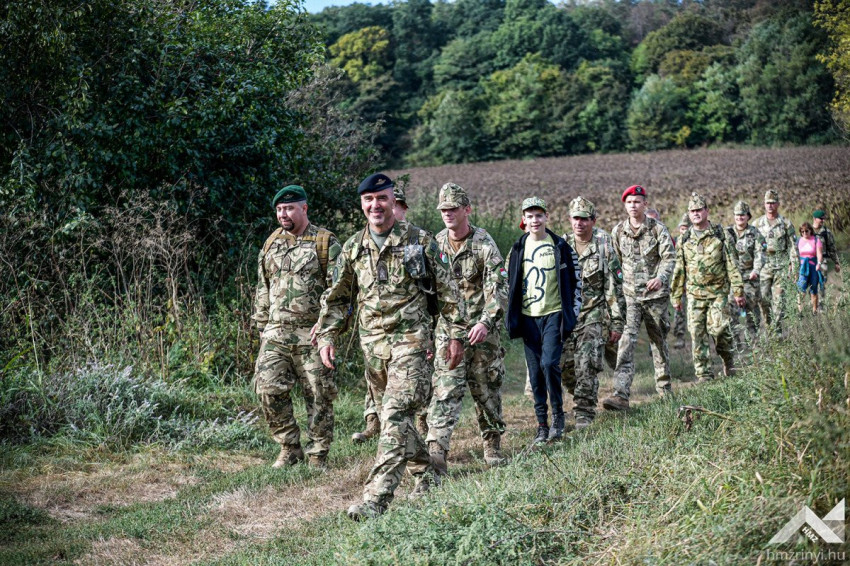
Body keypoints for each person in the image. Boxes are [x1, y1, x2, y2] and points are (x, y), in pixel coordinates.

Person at [315, 172, 466, 520]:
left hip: (412, 343)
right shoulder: (354, 247)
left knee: (396, 412)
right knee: (390, 418)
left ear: (392, 201)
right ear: (362, 205)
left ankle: (376, 499)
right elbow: (337, 298)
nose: (375, 206)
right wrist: (327, 335)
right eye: (368, 200)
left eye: (381, 198)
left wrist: (455, 335)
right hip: (374, 349)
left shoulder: (419, 242)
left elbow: (448, 292)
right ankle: (428, 472)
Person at [252, 185, 341, 469]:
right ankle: (289, 447)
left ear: (304, 208)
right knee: (267, 389)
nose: (283, 214)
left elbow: (339, 291)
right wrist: (262, 325)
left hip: (312, 334)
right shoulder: (271, 243)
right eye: (279, 209)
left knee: (319, 395)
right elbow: (263, 287)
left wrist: (328, 330)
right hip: (276, 332)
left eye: (289, 208)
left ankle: (317, 455)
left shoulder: (325, 242)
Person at [426, 182, 508, 475]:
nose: (447, 214)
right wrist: (428, 335)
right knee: (445, 389)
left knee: (486, 390)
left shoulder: (483, 244)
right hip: (449, 333)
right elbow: (429, 295)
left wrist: (486, 321)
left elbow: (498, 287)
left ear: (467, 210)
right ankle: (437, 450)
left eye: (453, 209)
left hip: (481, 333)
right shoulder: (435, 245)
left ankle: (492, 443)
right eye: (443, 210)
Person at [505, 197, 581, 443]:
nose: (535, 220)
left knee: (549, 364)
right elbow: (508, 282)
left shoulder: (560, 246)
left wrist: (573, 313)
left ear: (546, 217)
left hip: (553, 314)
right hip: (529, 318)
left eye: (539, 215)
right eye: (530, 216)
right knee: (536, 373)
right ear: (523, 220)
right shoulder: (517, 248)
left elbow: (576, 280)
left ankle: (558, 417)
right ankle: (541, 425)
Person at [602, 185, 676, 411]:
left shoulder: (657, 229)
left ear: (645, 204)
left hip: (655, 297)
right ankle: (621, 394)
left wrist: (661, 278)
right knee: (626, 343)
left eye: (637, 202)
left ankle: (665, 391)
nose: (633, 206)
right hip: (630, 298)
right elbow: (615, 264)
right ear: (625, 206)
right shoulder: (618, 231)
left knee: (658, 342)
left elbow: (669, 257)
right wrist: (615, 294)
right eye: (629, 202)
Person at [560, 197, 625, 430]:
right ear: (570, 220)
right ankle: (581, 394)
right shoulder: (562, 245)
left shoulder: (603, 244)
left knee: (586, 362)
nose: (579, 223)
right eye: (575, 218)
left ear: (593, 220)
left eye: (584, 219)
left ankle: (584, 412)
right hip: (567, 316)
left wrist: (616, 322)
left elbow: (614, 287)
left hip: (594, 313)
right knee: (564, 365)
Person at [671, 193, 745, 383]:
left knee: (720, 330)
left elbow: (732, 264)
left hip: (718, 293)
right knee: (697, 333)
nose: (695, 214)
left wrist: (738, 290)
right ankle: (704, 374)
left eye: (699, 210)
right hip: (694, 293)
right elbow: (679, 269)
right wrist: (676, 295)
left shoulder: (721, 234)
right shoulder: (684, 239)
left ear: (706, 211)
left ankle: (728, 359)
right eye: (692, 211)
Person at [753, 190, 798, 334]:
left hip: (781, 266)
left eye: (773, 203)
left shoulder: (785, 223)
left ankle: (776, 331)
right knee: (763, 298)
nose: (770, 205)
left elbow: (793, 246)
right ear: (764, 204)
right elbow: (751, 246)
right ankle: (769, 326)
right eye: (768, 203)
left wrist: (794, 266)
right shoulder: (757, 224)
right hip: (764, 266)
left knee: (779, 301)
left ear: (778, 204)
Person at [725, 201, 765, 343]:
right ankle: (735, 342)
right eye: (737, 215)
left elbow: (760, 253)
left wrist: (756, 270)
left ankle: (753, 340)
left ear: (748, 216)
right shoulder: (727, 233)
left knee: (751, 310)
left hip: (750, 277)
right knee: (731, 310)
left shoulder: (754, 233)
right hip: (732, 278)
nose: (739, 217)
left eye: (742, 215)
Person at [812, 210, 841, 310]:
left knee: (822, 283)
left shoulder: (826, 232)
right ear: (814, 219)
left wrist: (836, 262)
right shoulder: (807, 230)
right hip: (810, 261)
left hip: (823, 262)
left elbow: (832, 248)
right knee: (811, 283)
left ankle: (821, 305)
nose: (823, 221)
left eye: (823, 219)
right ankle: (812, 305)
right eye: (821, 219)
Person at [671, 213, 691, 349]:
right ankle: (680, 336)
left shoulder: (697, 241)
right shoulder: (676, 242)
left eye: (686, 228)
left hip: (695, 282)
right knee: (679, 309)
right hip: (680, 282)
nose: (684, 231)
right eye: (682, 228)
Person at [796, 222, 824, 315]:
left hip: (813, 267)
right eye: (802, 231)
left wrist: (819, 263)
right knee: (801, 289)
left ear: (810, 231)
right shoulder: (798, 241)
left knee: (813, 290)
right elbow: (795, 254)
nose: (804, 233)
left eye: (806, 231)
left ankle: (814, 311)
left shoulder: (816, 240)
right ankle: (800, 312)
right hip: (802, 268)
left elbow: (819, 254)